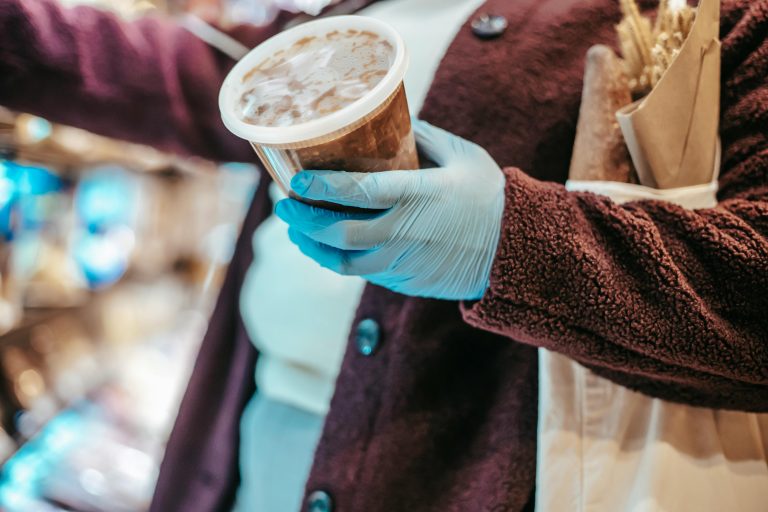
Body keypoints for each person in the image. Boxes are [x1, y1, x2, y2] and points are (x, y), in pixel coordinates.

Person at [1, 0, 767, 511]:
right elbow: (199, 76)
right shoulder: (355, 9)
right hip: (250, 457)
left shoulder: (699, 16)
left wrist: (508, 242)